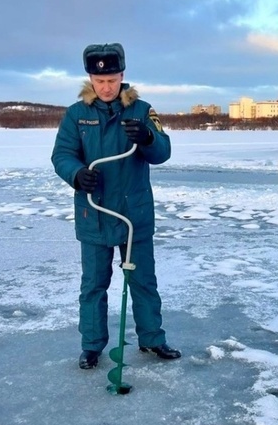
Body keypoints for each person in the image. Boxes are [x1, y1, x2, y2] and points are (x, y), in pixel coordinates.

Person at [51, 42, 181, 370]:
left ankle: (152, 339)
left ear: (122, 75)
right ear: (90, 80)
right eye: (99, 81)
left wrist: (148, 138)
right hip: (93, 213)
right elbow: (62, 155)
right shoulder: (76, 115)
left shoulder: (141, 110)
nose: (106, 87)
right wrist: (77, 174)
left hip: (132, 216)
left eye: (111, 79)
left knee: (143, 281)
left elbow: (163, 151)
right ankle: (92, 345)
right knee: (93, 284)